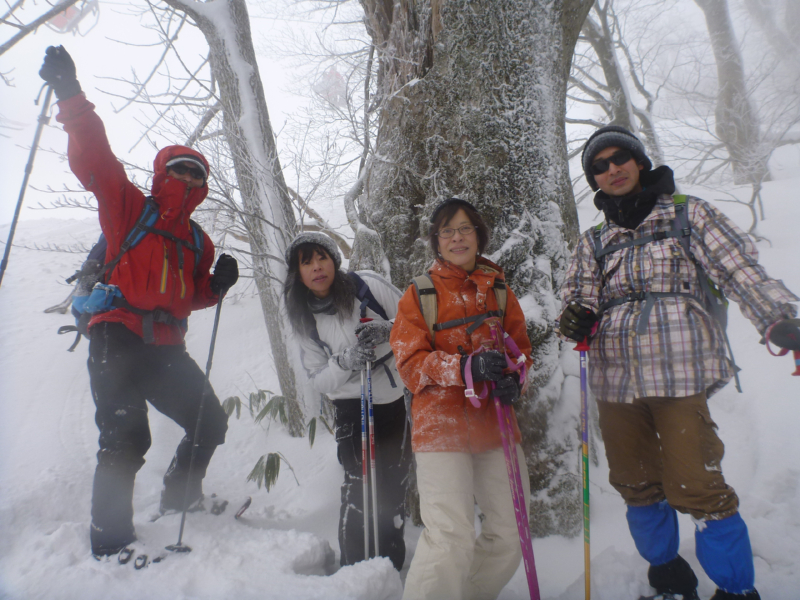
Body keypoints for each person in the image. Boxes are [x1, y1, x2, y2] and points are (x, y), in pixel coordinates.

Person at [559, 125, 800, 600]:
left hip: (679, 370)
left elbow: (738, 269)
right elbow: (577, 293)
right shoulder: (593, 241)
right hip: (614, 380)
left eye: (619, 159)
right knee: (635, 481)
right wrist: (576, 314)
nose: (612, 169)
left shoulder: (688, 215)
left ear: (639, 162)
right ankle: (666, 572)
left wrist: (778, 318)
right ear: (595, 180)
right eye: (600, 166)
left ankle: (735, 588)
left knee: (696, 481)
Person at [39, 46, 239, 557]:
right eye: (180, 168)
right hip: (117, 336)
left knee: (208, 421)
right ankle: (110, 543)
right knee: (126, 439)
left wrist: (215, 288)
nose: (189, 178)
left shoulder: (198, 240)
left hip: (166, 346)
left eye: (197, 173)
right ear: (161, 171)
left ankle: (180, 498)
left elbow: (186, 298)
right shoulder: (129, 209)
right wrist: (70, 95)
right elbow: (96, 160)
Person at [390, 198, 534, 600]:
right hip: (441, 428)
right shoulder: (419, 293)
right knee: (450, 536)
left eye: (465, 228)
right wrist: (464, 369)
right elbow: (409, 363)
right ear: (436, 240)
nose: (457, 237)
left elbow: (521, 352)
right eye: (447, 230)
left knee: (511, 530)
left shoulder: (500, 291)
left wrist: (516, 378)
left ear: (478, 235)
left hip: (496, 425)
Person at [283, 231, 410, 571]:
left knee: (393, 480)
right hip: (350, 406)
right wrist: (346, 360)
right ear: (298, 273)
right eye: (306, 262)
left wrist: (388, 330)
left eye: (321, 257)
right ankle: (354, 569)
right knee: (360, 485)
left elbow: (414, 321)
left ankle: (389, 567)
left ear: (333, 260)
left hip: (390, 398)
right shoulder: (303, 318)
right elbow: (317, 379)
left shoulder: (366, 286)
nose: (316, 267)